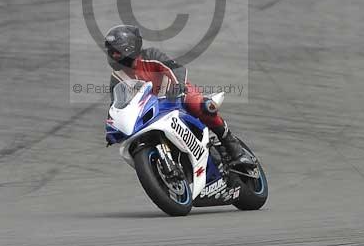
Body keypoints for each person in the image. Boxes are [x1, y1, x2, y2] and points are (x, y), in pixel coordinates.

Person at [104, 24, 253, 166]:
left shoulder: (151, 55)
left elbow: (176, 69)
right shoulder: (116, 77)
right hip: (150, 109)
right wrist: (114, 127)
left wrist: (177, 89)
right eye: (111, 52)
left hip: (174, 95)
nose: (114, 55)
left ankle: (234, 147)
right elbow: (117, 104)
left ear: (129, 48)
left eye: (117, 51)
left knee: (201, 106)